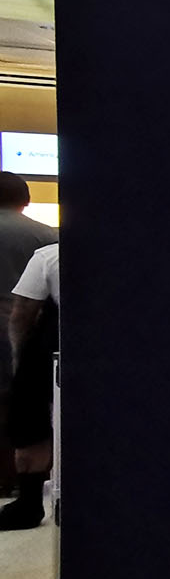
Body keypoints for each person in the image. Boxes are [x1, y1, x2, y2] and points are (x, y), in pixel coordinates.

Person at [0, 173, 56, 501]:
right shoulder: (47, 236)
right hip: (23, 332)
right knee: (21, 406)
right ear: (26, 200)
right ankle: (17, 477)